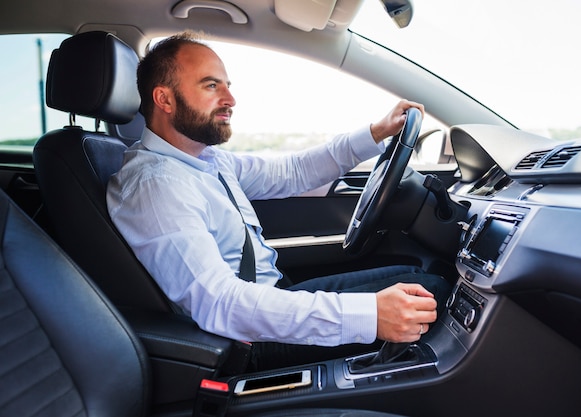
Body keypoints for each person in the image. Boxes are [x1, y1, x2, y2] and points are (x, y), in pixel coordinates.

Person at [107, 31, 451, 371]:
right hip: (246, 340)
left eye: (227, 85)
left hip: (268, 300)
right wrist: (370, 316)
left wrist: (375, 133)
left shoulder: (204, 160)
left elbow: (291, 171)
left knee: (416, 279)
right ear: (164, 100)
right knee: (428, 293)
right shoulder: (157, 186)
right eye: (211, 86)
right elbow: (220, 304)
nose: (230, 98)